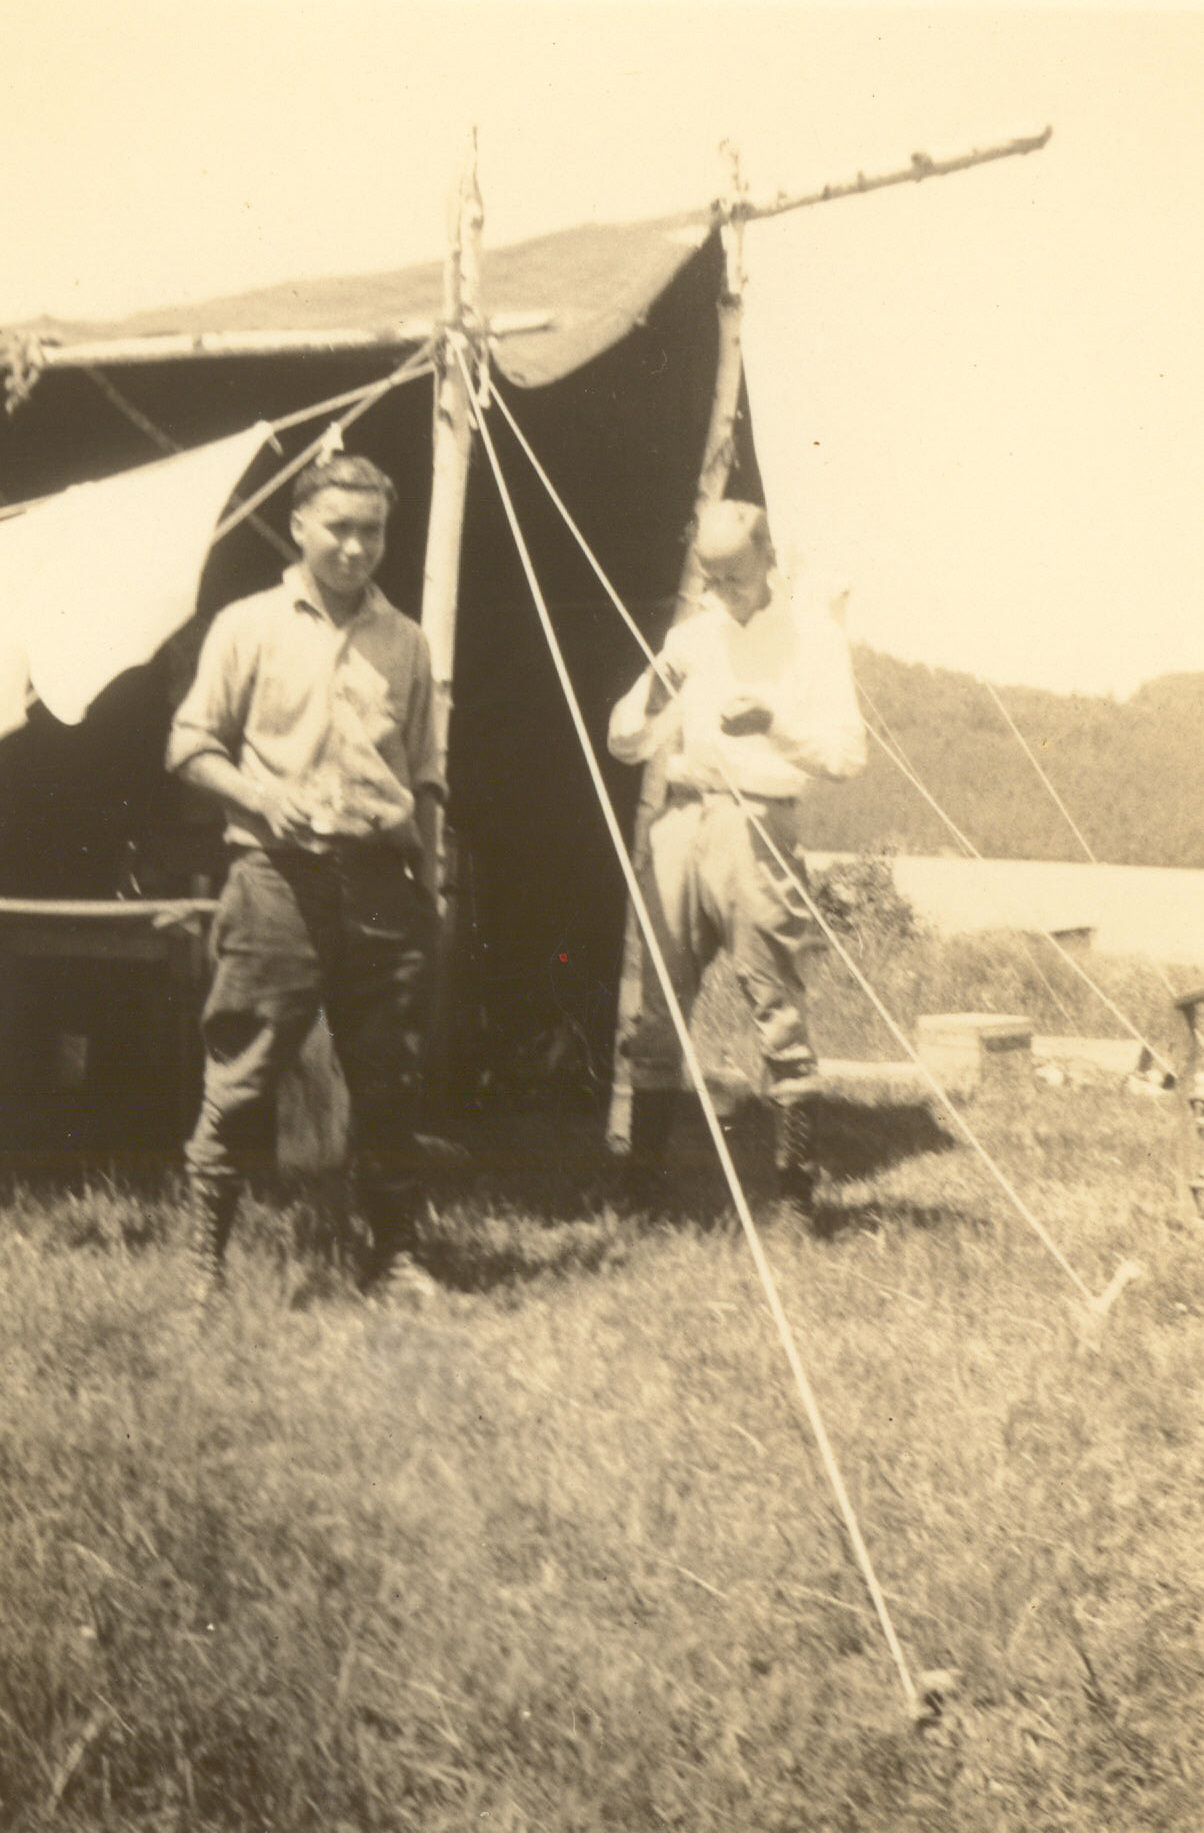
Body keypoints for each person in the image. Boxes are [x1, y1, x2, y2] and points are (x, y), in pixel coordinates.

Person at [167, 451, 445, 1296]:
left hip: (380, 885)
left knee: (388, 1080)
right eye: (339, 528)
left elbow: (425, 777)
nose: (357, 548)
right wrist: (261, 797)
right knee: (242, 1073)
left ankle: (393, 1257)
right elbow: (189, 746)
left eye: (374, 531)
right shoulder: (248, 624)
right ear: (299, 527)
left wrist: (427, 883)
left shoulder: (406, 640)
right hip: (276, 882)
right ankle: (203, 1264)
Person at [607, 499, 866, 1223]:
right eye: (712, 579)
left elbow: (847, 755)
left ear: (770, 561)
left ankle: (795, 1198)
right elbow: (625, 741)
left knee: (777, 1008)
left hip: (757, 824)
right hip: (679, 821)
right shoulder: (691, 637)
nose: (724, 593)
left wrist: (773, 725)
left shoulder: (816, 638)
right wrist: (651, 695)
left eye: (737, 578)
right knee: (657, 1010)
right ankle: (642, 1191)